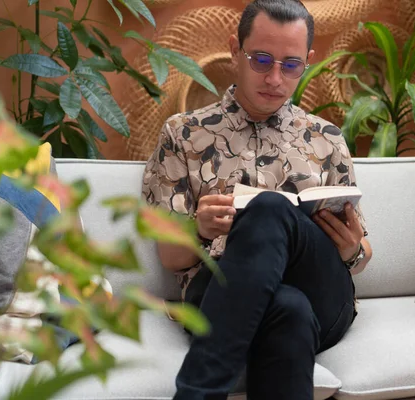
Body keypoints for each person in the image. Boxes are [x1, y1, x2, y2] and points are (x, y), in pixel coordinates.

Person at [142, 0, 373, 398]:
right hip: (217, 292)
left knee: (270, 208)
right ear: (235, 50)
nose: (275, 78)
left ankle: (199, 390)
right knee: (288, 308)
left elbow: (363, 255)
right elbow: (169, 256)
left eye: (291, 64)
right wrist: (198, 228)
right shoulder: (183, 133)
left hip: (324, 295)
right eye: (261, 60)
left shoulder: (327, 137)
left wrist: (353, 250)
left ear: (308, 61)